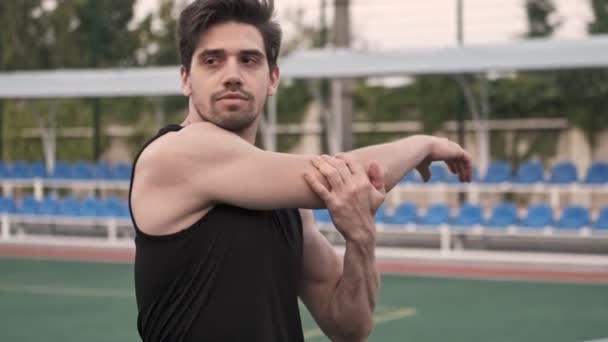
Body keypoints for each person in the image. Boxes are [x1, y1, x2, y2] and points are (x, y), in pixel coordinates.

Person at [128, 0, 473, 341]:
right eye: (212, 61)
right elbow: (342, 174)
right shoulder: (176, 152)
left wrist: (361, 239)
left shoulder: (286, 201)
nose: (232, 75)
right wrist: (421, 145)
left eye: (249, 60)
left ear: (273, 78)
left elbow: (350, 326)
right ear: (186, 79)